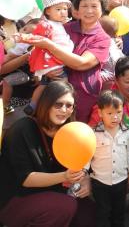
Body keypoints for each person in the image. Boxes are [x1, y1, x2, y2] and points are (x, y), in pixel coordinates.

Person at [0, 81, 95, 227]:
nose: (64, 110)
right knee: (64, 207)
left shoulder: (69, 131)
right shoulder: (22, 129)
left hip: (53, 193)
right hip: (16, 199)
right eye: (58, 104)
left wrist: (85, 178)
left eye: (69, 105)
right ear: (46, 104)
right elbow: (26, 179)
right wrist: (64, 176)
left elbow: (78, 163)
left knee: (88, 214)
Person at [20, 0, 112, 122]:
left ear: (102, 9)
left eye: (94, 6)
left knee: (75, 133)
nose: (89, 11)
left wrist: (50, 46)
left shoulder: (102, 38)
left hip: (83, 96)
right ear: (76, 9)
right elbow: (40, 49)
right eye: (84, 6)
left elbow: (81, 63)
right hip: (54, 93)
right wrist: (45, 69)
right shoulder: (64, 28)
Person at [91, 90, 129, 227]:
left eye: (118, 112)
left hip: (121, 179)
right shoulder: (94, 133)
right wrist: (83, 171)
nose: (115, 117)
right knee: (103, 212)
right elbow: (88, 154)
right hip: (100, 181)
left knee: (119, 211)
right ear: (100, 113)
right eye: (109, 113)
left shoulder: (126, 131)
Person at [26, 0, 74, 112]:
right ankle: (54, 103)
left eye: (65, 9)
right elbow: (37, 39)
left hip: (53, 61)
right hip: (53, 62)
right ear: (48, 11)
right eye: (58, 9)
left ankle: (33, 105)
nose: (63, 12)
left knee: (43, 85)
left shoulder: (57, 24)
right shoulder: (46, 25)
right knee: (63, 83)